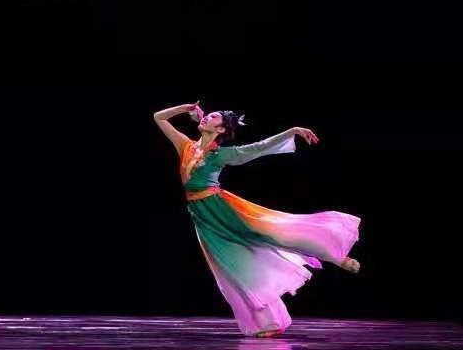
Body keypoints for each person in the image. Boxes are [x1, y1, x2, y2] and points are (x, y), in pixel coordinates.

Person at [153, 102, 361, 337]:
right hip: (203, 217)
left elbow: (260, 147)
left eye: (213, 117)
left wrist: (292, 131)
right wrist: (185, 108)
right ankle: (271, 322)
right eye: (207, 115)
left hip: (222, 208)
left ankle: (335, 256)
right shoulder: (186, 145)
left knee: (273, 234)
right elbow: (159, 117)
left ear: (221, 129)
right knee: (233, 268)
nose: (207, 117)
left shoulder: (222, 154)